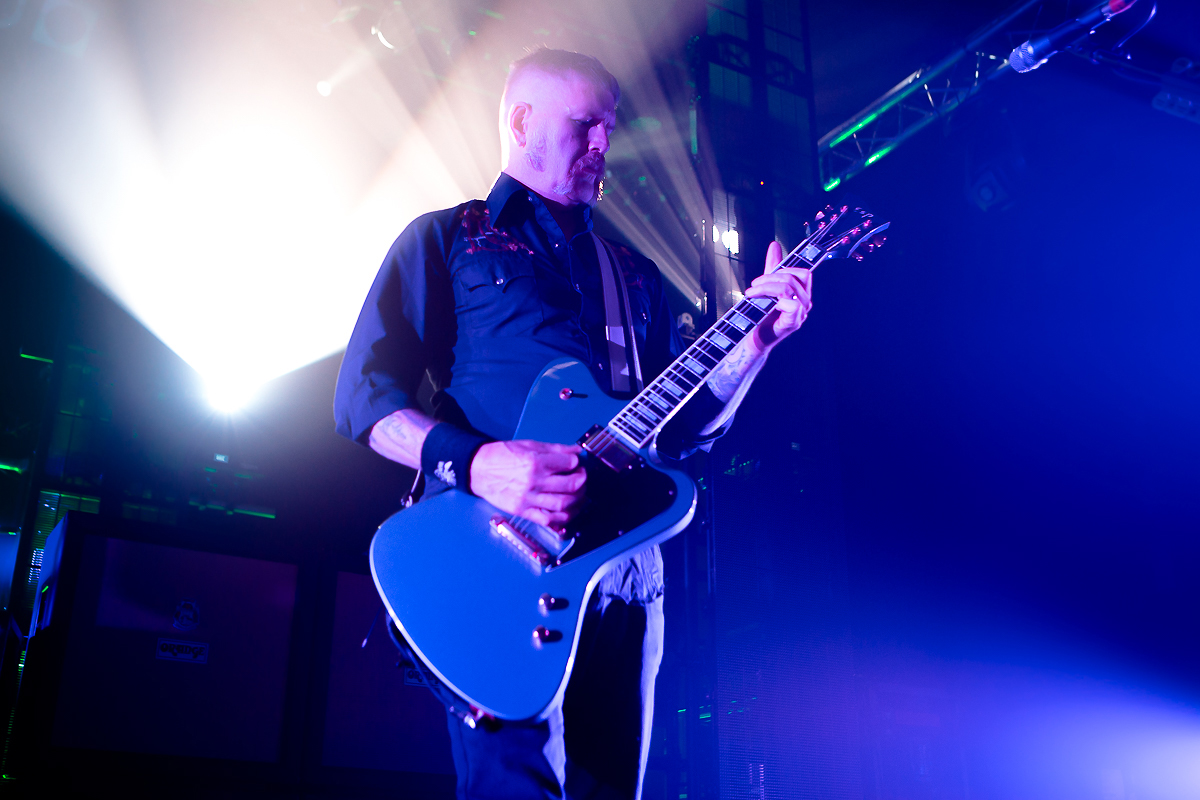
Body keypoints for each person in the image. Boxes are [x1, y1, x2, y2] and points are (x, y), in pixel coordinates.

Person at [334, 48, 813, 800]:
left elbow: (681, 435)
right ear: (523, 121)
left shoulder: (636, 275)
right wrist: (478, 464)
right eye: (586, 124)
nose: (603, 144)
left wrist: (753, 347)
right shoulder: (447, 240)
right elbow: (363, 401)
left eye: (610, 128)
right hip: (497, 562)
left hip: (629, 573)